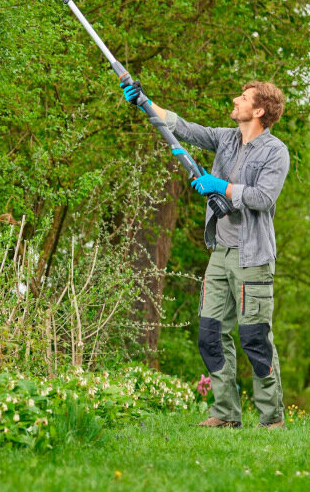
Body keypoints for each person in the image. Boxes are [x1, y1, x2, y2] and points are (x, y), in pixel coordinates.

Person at [122, 80, 290, 429]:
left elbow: (263, 198)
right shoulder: (227, 138)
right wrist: (146, 103)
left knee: (254, 338)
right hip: (221, 254)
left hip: (253, 257)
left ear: (259, 111)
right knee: (210, 333)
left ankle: (272, 419)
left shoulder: (276, 152)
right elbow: (184, 128)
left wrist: (221, 186)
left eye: (242, 98)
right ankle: (226, 414)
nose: (235, 100)